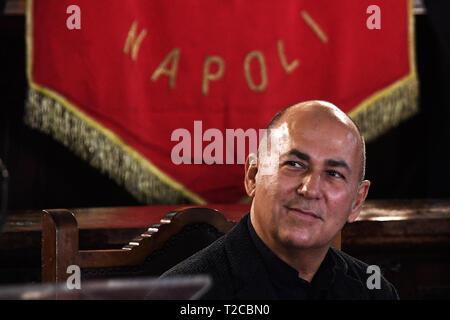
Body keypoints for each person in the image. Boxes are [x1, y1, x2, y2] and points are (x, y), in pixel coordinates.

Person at [161, 100, 399, 300]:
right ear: (253, 176)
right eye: (294, 165)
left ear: (357, 203)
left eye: (333, 174)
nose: (310, 189)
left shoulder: (375, 293)